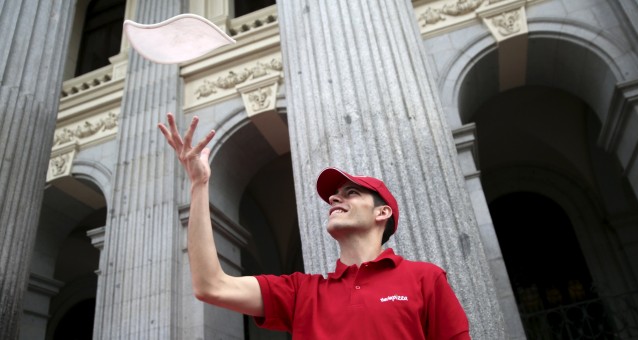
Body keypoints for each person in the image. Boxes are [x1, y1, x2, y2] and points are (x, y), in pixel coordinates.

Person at [158, 113, 471, 339]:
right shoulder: (301, 293)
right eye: (334, 195)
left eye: (352, 192)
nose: (335, 198)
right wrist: (199, 185)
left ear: (382, 213)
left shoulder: (424, 279)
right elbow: (211, 286)